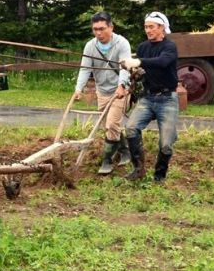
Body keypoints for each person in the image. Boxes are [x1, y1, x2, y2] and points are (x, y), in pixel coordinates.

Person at [120, 11, 178, 182]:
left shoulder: (169, 47)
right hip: (147, 98)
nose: (148, 30)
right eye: (146, 27)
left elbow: (162, 62)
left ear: (162, 28)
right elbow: (142, 72)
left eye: (151, 27)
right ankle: (138, 169)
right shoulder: (143, 47)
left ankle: (159, 175)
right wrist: (133, 70)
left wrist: (139, 62)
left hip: (167, 99)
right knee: (130, 128)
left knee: (166, 144)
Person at [74, 11, 132, 175]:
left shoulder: (122, 43)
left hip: (120, 91)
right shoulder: (90, 46)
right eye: (95, 29)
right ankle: (126, 150)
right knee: (109, 126)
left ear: (111, 27)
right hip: (102, 91)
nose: (98, 33)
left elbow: (125, 67)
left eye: (102, 29)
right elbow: (85, 69)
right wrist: (79, 89)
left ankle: (106, 160)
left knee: (112, 124)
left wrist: (122, 85)